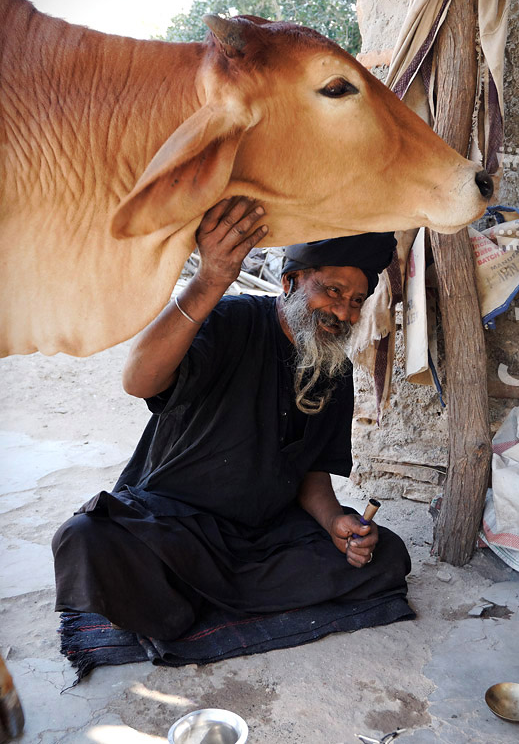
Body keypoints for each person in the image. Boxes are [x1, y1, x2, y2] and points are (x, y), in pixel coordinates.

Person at [52, 197, 411, 641]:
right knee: (85, 539)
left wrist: (335, 523)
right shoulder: (231, 320)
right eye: (333, 291)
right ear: (290, 281)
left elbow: (313, 475)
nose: (345, 313)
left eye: (357, 301)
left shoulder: (332, 368)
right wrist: (210, 280)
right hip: (178, 526)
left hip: (263, 536)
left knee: (387, 554)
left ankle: (188, 603)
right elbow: (138, 381)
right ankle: (209, 596)